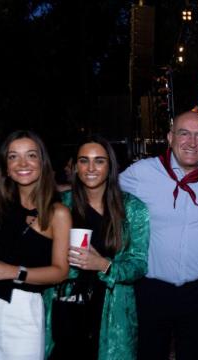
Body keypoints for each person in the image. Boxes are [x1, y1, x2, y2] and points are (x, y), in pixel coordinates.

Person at [119, 111, 198, 360]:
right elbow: (101, 192)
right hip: (152, 290)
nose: (192, 142)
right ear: (170, 137)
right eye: (184, 134)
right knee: (149, 353)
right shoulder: (142, 173)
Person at [0, 130, 70, 360]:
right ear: (6, 168)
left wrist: (10, 271)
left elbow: (60, 272)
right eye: (13, 156)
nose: (23, 163)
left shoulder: (56, 213)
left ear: (42, 162)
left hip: (21, 309)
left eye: (31, 155)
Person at [47, 136, 150, 359]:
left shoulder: (132, 208)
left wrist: (104, 265)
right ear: (74, 167)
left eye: (99, 161)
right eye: (84, 161)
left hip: (110, 308)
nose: (91, 168)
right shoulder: (60, 205)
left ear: (111, 166)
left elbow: (139, 264)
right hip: (64, 307)